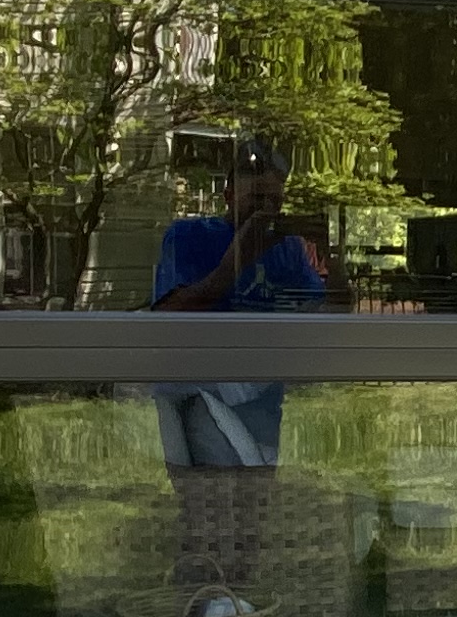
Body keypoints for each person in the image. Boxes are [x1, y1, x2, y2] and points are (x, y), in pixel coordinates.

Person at [143, 143, 337, 467]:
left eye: (274, 201)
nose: (265, 211)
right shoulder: (190, 236)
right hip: (193, 392)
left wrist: (333, 259)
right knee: (204, 503)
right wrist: (234, 262)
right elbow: (166, 319)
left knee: (253, 502)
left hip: (259, 399)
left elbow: (326, 314)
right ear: (229, 195)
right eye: (256, 199)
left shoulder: (286, 248)